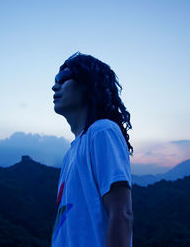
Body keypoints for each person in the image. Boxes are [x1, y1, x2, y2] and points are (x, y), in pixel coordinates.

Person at [51, 52, 134, 247]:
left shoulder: (102, 131)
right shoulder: (71, 153)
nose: (55, 85)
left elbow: (122, 213)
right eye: (55, 80)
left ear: (87, 83)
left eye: (63, 78)